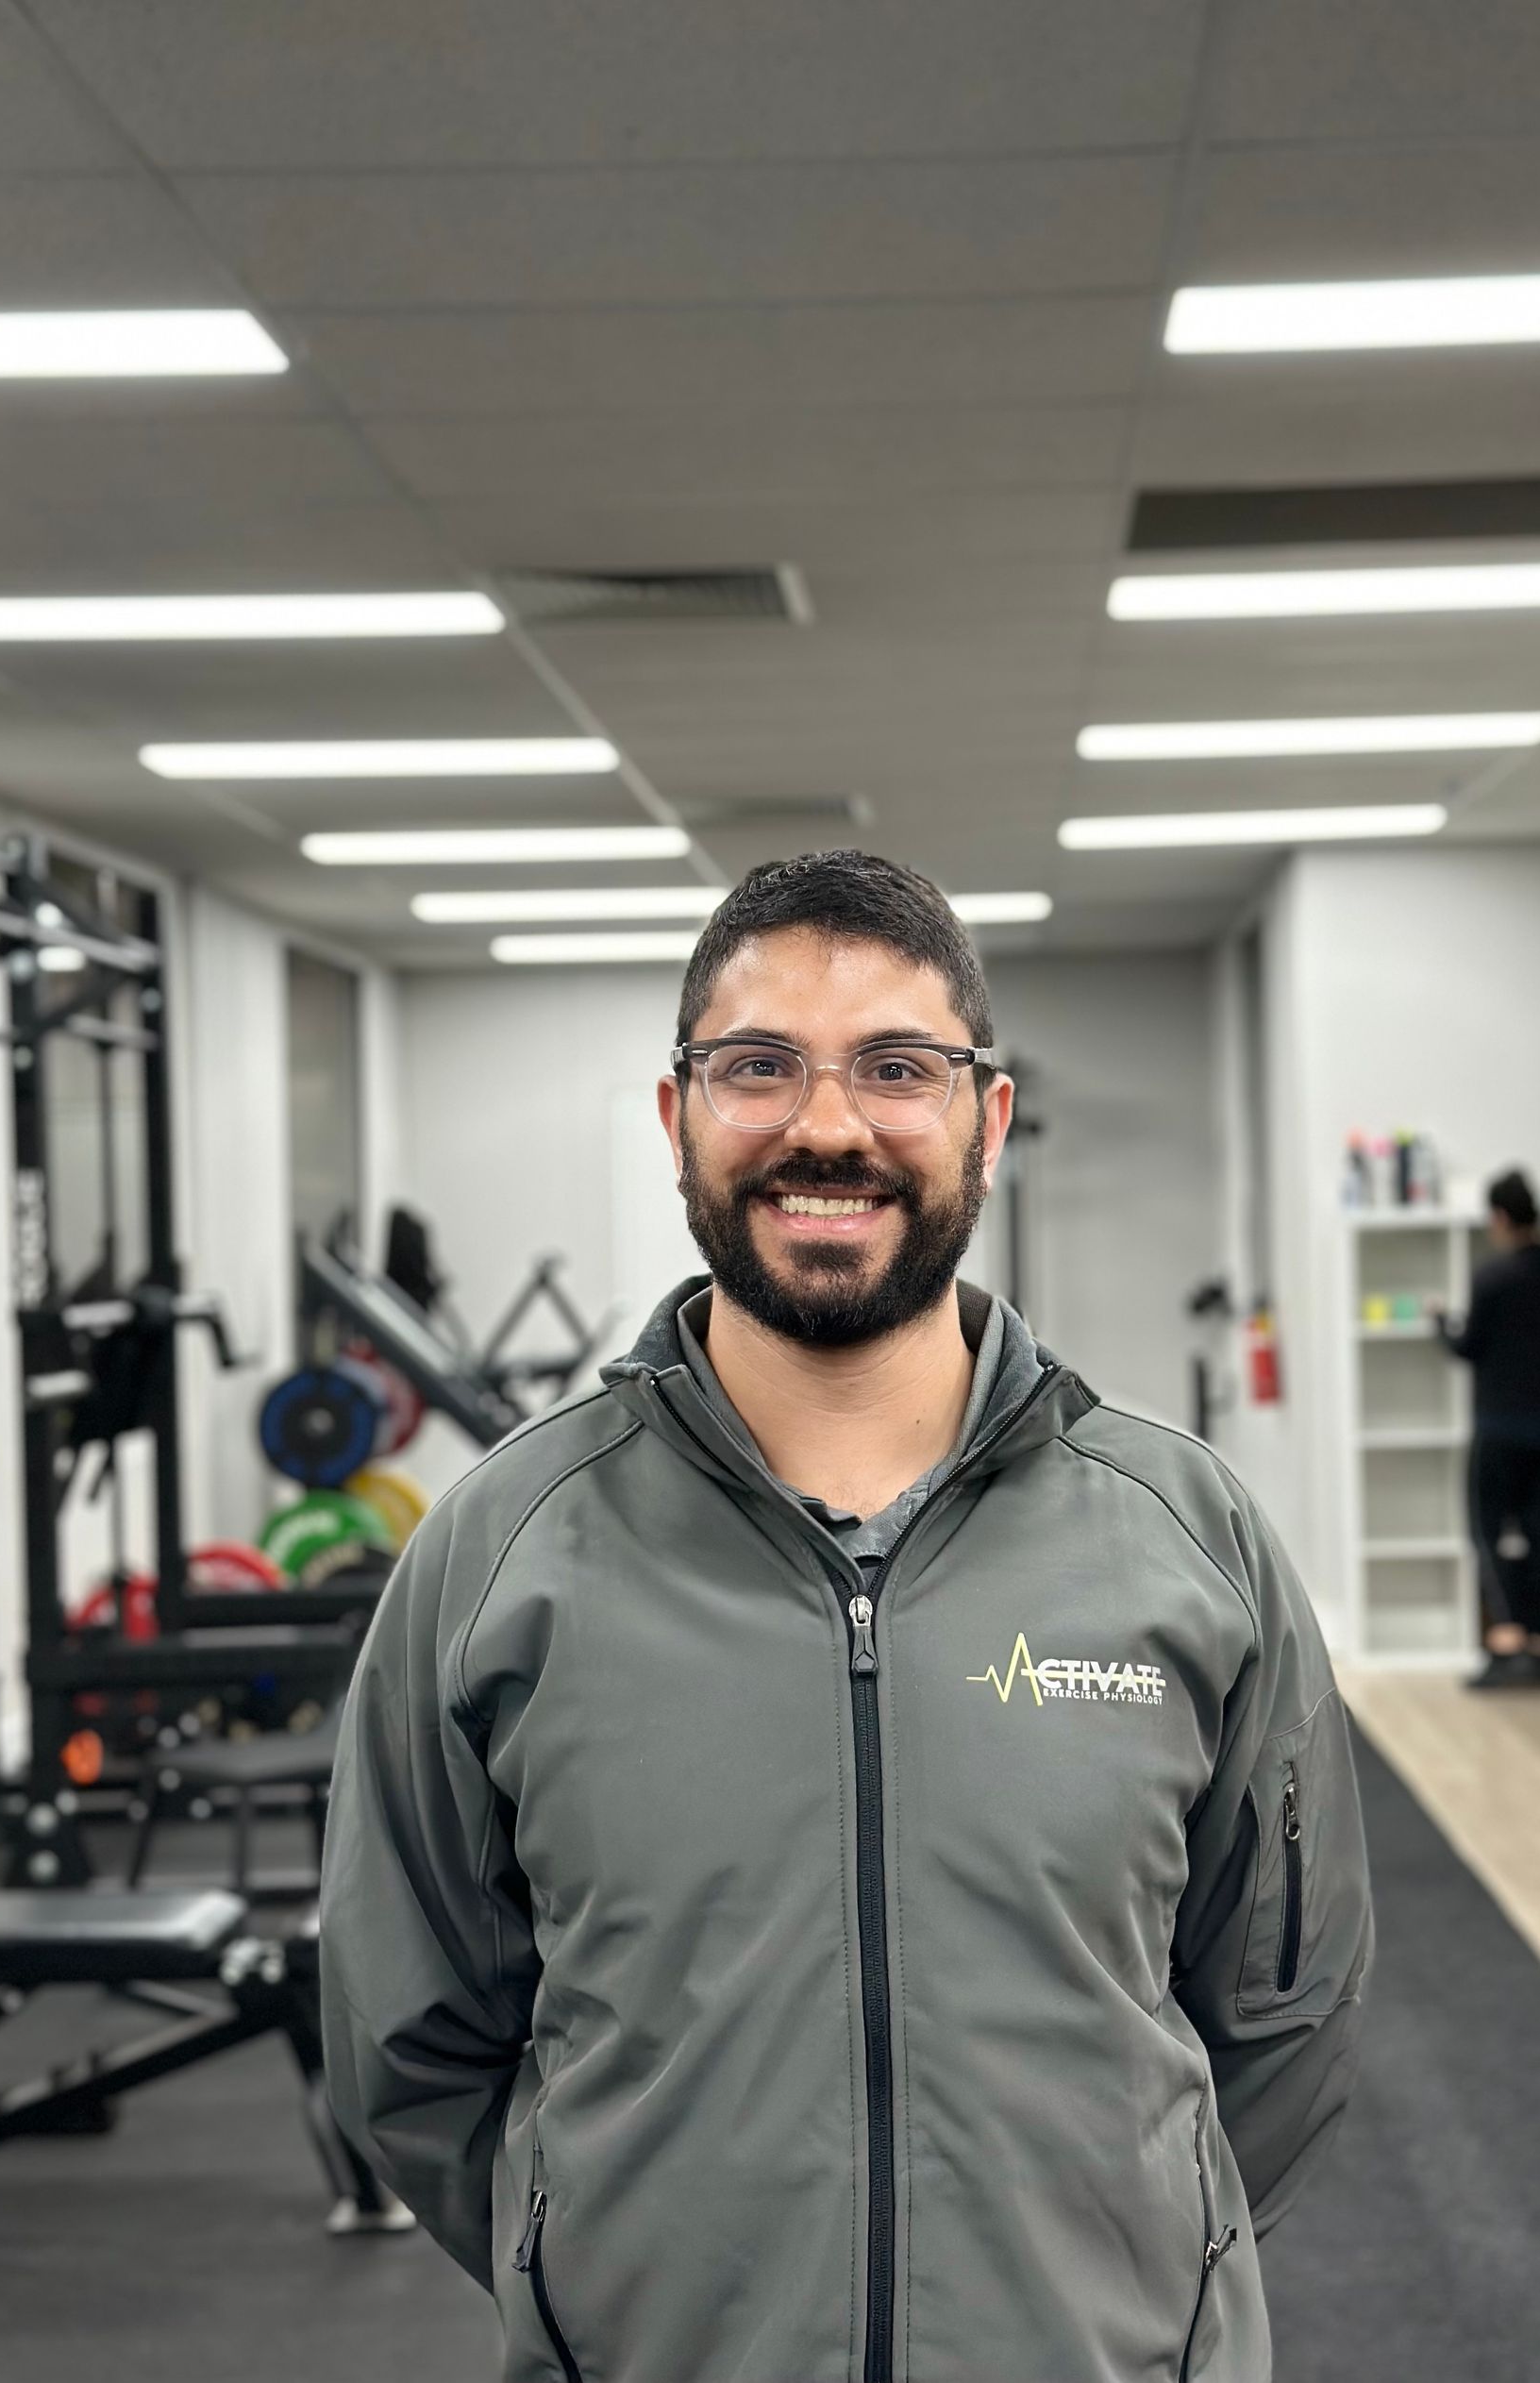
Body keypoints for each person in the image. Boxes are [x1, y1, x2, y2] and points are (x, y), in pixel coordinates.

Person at [320, 849, 1373, 2383]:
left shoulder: (1184, 1539)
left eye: (896, 1067)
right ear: (678, 1117)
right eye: (759, 1066)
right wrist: (599, 2281)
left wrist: (1125, 2289)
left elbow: (1283, 2020)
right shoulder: (501, 1555)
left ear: (985, 1120)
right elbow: (410, 2043)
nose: (827, 1125)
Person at [1433, 1168, 1540, 1689]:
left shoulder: (1492, 1277)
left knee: (1486, 1530)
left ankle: (1509, 1642)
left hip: (1500, 1421)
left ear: (1499, 1217)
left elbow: (1468, 1347)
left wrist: (1440, 1323)